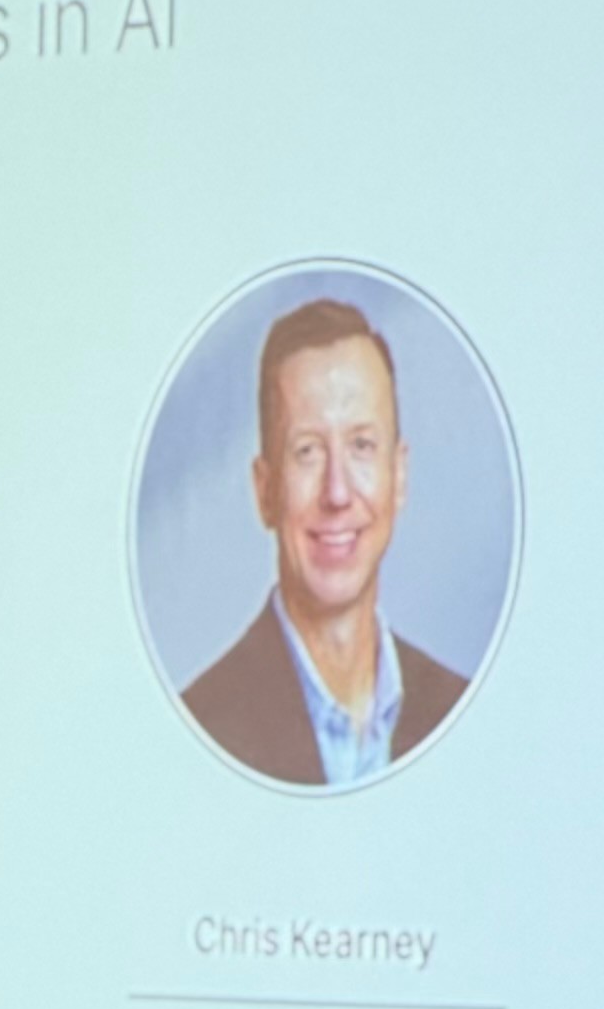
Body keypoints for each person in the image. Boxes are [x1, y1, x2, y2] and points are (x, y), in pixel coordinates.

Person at [176, 296, 473, 785]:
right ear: (265, 491)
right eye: (307, 451)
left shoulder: (457, 713)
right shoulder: (202, 728)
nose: (337, 492)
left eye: (361, 446)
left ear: (399, 475)